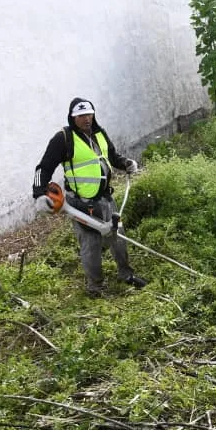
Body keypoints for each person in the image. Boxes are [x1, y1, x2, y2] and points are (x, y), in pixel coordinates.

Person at [32, 97, 147, 297]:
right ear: (72, 117)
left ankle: (126, 274)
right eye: (81, 115)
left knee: (118, 237)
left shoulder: (99, 133)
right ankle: (96, 287)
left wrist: (125, 163)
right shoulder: (64, 138)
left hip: (105, 198)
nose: (86, 119)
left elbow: (111, 156)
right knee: (91, 244)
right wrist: (39, 194)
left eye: (89, 114)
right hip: (81, 203)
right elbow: (43, 168)